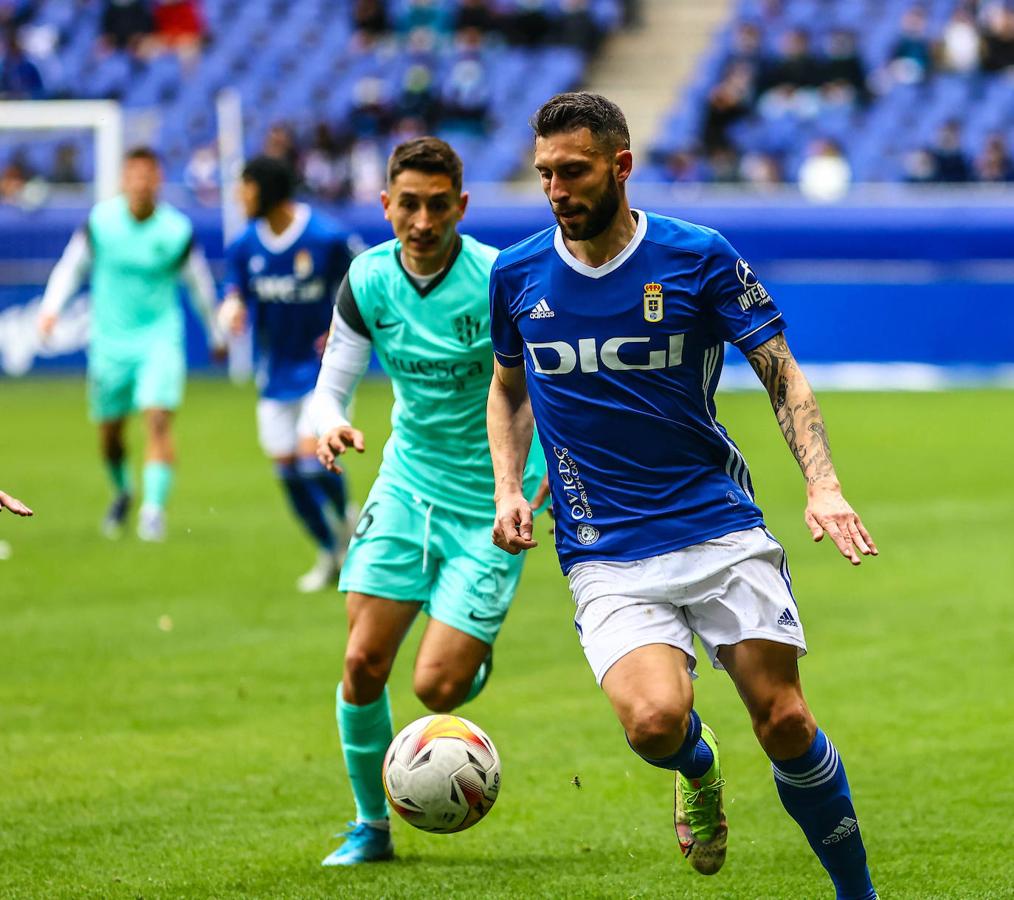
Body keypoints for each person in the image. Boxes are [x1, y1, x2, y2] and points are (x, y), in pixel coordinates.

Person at [487, 93, 878, 899]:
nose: (557, 190)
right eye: (545, 174)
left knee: (787, 722)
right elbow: (509, 389)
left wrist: (824, 484)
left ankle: (858, 894)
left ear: (621, 165)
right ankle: (697, 766)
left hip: (715, 526)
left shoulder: (698, 256)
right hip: (604, 547)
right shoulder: (516, 273)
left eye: (574, 171)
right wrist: (508, 488)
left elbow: (781, 373)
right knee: (655, 723)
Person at [310, 136, 545, 867]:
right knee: (361, 663)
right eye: (407, 204)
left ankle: (471, 652)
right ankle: (370, 827)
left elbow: (541, 387)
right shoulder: (368, 278)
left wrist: (536, 481)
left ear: (461, 206)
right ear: (385, 205)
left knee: (436, 687)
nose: (422, 220)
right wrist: (330, 422)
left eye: (438, 205)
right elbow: (332, 383)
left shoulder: (497, 277)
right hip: (407, 486)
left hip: (493, 501)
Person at [38, 147, 222, 542]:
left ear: (159, 181)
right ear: (123, 181)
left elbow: (200, 286)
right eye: (134, 175)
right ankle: (123, 490)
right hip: (109, 343)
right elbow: (71, 267)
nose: (140, 183)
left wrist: (216, 334)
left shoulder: (176, 231)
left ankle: (153, 513)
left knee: (157, 419)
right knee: (111, 435)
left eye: (147, 175)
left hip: (159, 339)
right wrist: (51, 308)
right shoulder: (100, 223)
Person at [219, 155, 357, 593]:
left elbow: (360, 281)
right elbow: (235, 289)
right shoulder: (245, 245)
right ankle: (330, 550)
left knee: (311, 463)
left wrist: (344, 324)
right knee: (287, 474)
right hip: (274, 374)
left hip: (323, 372)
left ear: (267, 190)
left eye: (245, 188)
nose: (239, 197)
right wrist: (232, 308)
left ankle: (348, 521)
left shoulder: (325, 237)